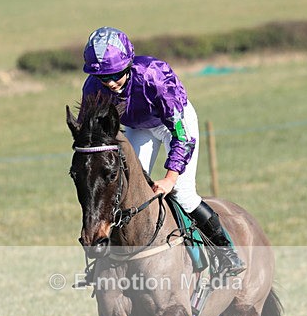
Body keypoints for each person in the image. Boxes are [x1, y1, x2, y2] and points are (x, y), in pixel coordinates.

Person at [80, 26, 245, 276]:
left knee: (183, 193)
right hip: (139, 128)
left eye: (116, 74)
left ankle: (226, 253)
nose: (110, 83)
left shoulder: (154, 75)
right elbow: (90, 133)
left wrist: (169, 178)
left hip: (174, 126)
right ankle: (110, 260)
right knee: (123, 190)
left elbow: (182, 135)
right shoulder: (92, 87)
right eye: (104, 77)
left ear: (128, 65)